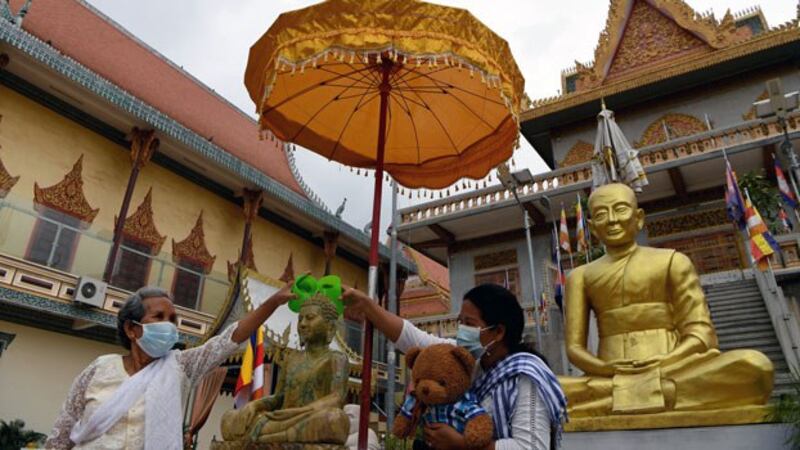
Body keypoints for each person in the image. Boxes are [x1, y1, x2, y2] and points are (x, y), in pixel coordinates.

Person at [45, 283, 295, 450]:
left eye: (173, 319)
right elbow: (63, 431)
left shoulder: (180, 367)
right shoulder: (99, 369)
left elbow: (230, 339)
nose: (169, 325)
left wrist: (272, 303)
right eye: (159, 318)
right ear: (132, 329)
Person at [344, 283, 567, 450]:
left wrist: (461, 443)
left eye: (469, 324)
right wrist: (367, 306)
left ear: (498, 332)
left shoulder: (525, 376)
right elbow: (413, 339)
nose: (461, 330)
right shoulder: (470, 360)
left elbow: (531, 447)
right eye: (460, 321)